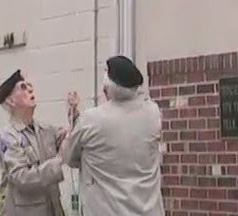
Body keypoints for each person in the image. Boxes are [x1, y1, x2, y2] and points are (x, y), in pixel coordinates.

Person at [61, 56, 165, 216]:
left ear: (107, 89)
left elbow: (70, 157)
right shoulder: (153, 113)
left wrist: (73, 120)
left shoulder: (91, 120)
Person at [0, 69, 81, 216]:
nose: (30, 89)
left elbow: (72, 140)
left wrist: (73, 113)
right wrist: (58, 161)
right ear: (11, 101)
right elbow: (21, 177)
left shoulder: (45, 130)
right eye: (23, 87)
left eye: (29, 86)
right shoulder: (8, 137)